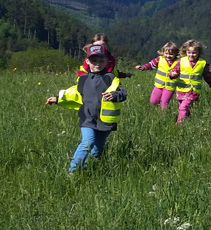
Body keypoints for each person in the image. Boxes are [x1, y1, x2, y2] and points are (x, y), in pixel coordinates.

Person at [46, 43, 127, 172]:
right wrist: (57, 99)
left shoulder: (111, 78)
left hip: (105, 119)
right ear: (87, 61)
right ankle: (73, 171)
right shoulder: (83, 79)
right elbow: (74, 94)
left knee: (97, 148)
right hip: (87, 118)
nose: (97, 64)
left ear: (107, 61)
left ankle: (87, 170)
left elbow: (123, 93)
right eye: (94, 60)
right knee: (88, 142)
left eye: (101, 60)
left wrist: (114, 95)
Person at [168, 39, 211, 123]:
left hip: (193, 90)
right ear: (185, 52)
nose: (191, 55)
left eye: (194, 52)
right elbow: (174, 71)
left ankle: (179, 124)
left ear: (198, 52)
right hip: (181, 90)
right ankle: (188, 122)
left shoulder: (202, 63)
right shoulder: (181, 61)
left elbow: (208, 76)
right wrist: (172, 74)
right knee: (183, 108)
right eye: (189, 52)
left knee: (183, 107)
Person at [135, 41, 179, 111]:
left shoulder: (179, 62)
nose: (168, 56)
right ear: (163, 52)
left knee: (164, 103)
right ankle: (160, 108)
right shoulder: (160, 59)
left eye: (171, 54)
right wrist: (143, 67)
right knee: (153, 101)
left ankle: (164, 115)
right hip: (159, 85)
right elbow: (151, 64)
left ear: (176, 54)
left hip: (170, 86)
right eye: (166, 53)